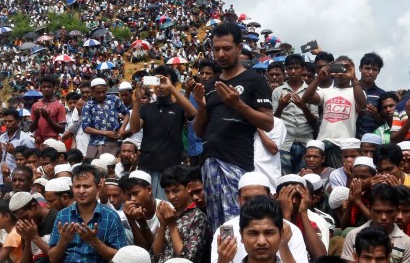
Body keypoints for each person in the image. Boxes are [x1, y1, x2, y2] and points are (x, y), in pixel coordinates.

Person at [191, 22, 274, 231]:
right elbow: (200, 132)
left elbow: (268, 122)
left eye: (226, 48)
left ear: (238, 48)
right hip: (209, 161)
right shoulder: (210, 86)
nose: (221, 53)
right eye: (216, 48)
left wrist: (238, 104)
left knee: (238, 225)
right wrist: (201, 107)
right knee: (217, 226)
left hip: (236, 162)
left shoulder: (254, 80)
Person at [209, 172, 308, 263]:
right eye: (247, 199)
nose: (253, 203)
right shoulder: (228, 229)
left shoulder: (289, 230)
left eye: (269, 233)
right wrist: (223, 260)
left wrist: (283, 245)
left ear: (270, 197)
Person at [126, 65, 197, 198]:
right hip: (147, 165)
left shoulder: (178, 108)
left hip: (170, 168)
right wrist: (136, 102)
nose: (160, 86)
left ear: (173, 84)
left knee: (167, 208)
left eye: (164, 82)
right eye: (157, 82)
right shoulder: (146, 108)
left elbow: (192, 112)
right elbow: (135, 128)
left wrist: (172, 88)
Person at [341, 184, 410, 263]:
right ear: (370, 209)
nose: (384, 217)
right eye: (378, 211)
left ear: (396, 210)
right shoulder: (354, 235)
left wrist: (386, 260)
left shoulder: (406, 242)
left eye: (389, 212)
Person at [153, 166, 210, 263]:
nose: (172, 196)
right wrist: (163, 225)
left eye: (176, 191)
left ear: (188, 187)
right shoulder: (171, 214)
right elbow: (155, 255)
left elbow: (187, 260)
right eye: (167, 192)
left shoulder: (198, 217)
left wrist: (172, 225)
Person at [273, 53, 321, 175]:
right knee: (285, 178)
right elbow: (273, 122)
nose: (293, 71)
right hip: (285, 142)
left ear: (303, 69)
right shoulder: (278, 91)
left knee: (304, 179)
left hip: (306, 141)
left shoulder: (311, 91)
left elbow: (314, 122)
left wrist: (303, 107)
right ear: (286, 70)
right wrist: (281, 107)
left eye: (296, 68)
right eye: (290, 68)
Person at [82, 77, 130, 160]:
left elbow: (126, 113)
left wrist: (122, 128)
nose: (101, 95)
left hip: (112, 143)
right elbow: (85, 128)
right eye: (98, 92)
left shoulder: (114, 99)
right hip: (95, 144)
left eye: (103, 92)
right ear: (92, 91)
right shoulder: (88, 105)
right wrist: (105, 133)